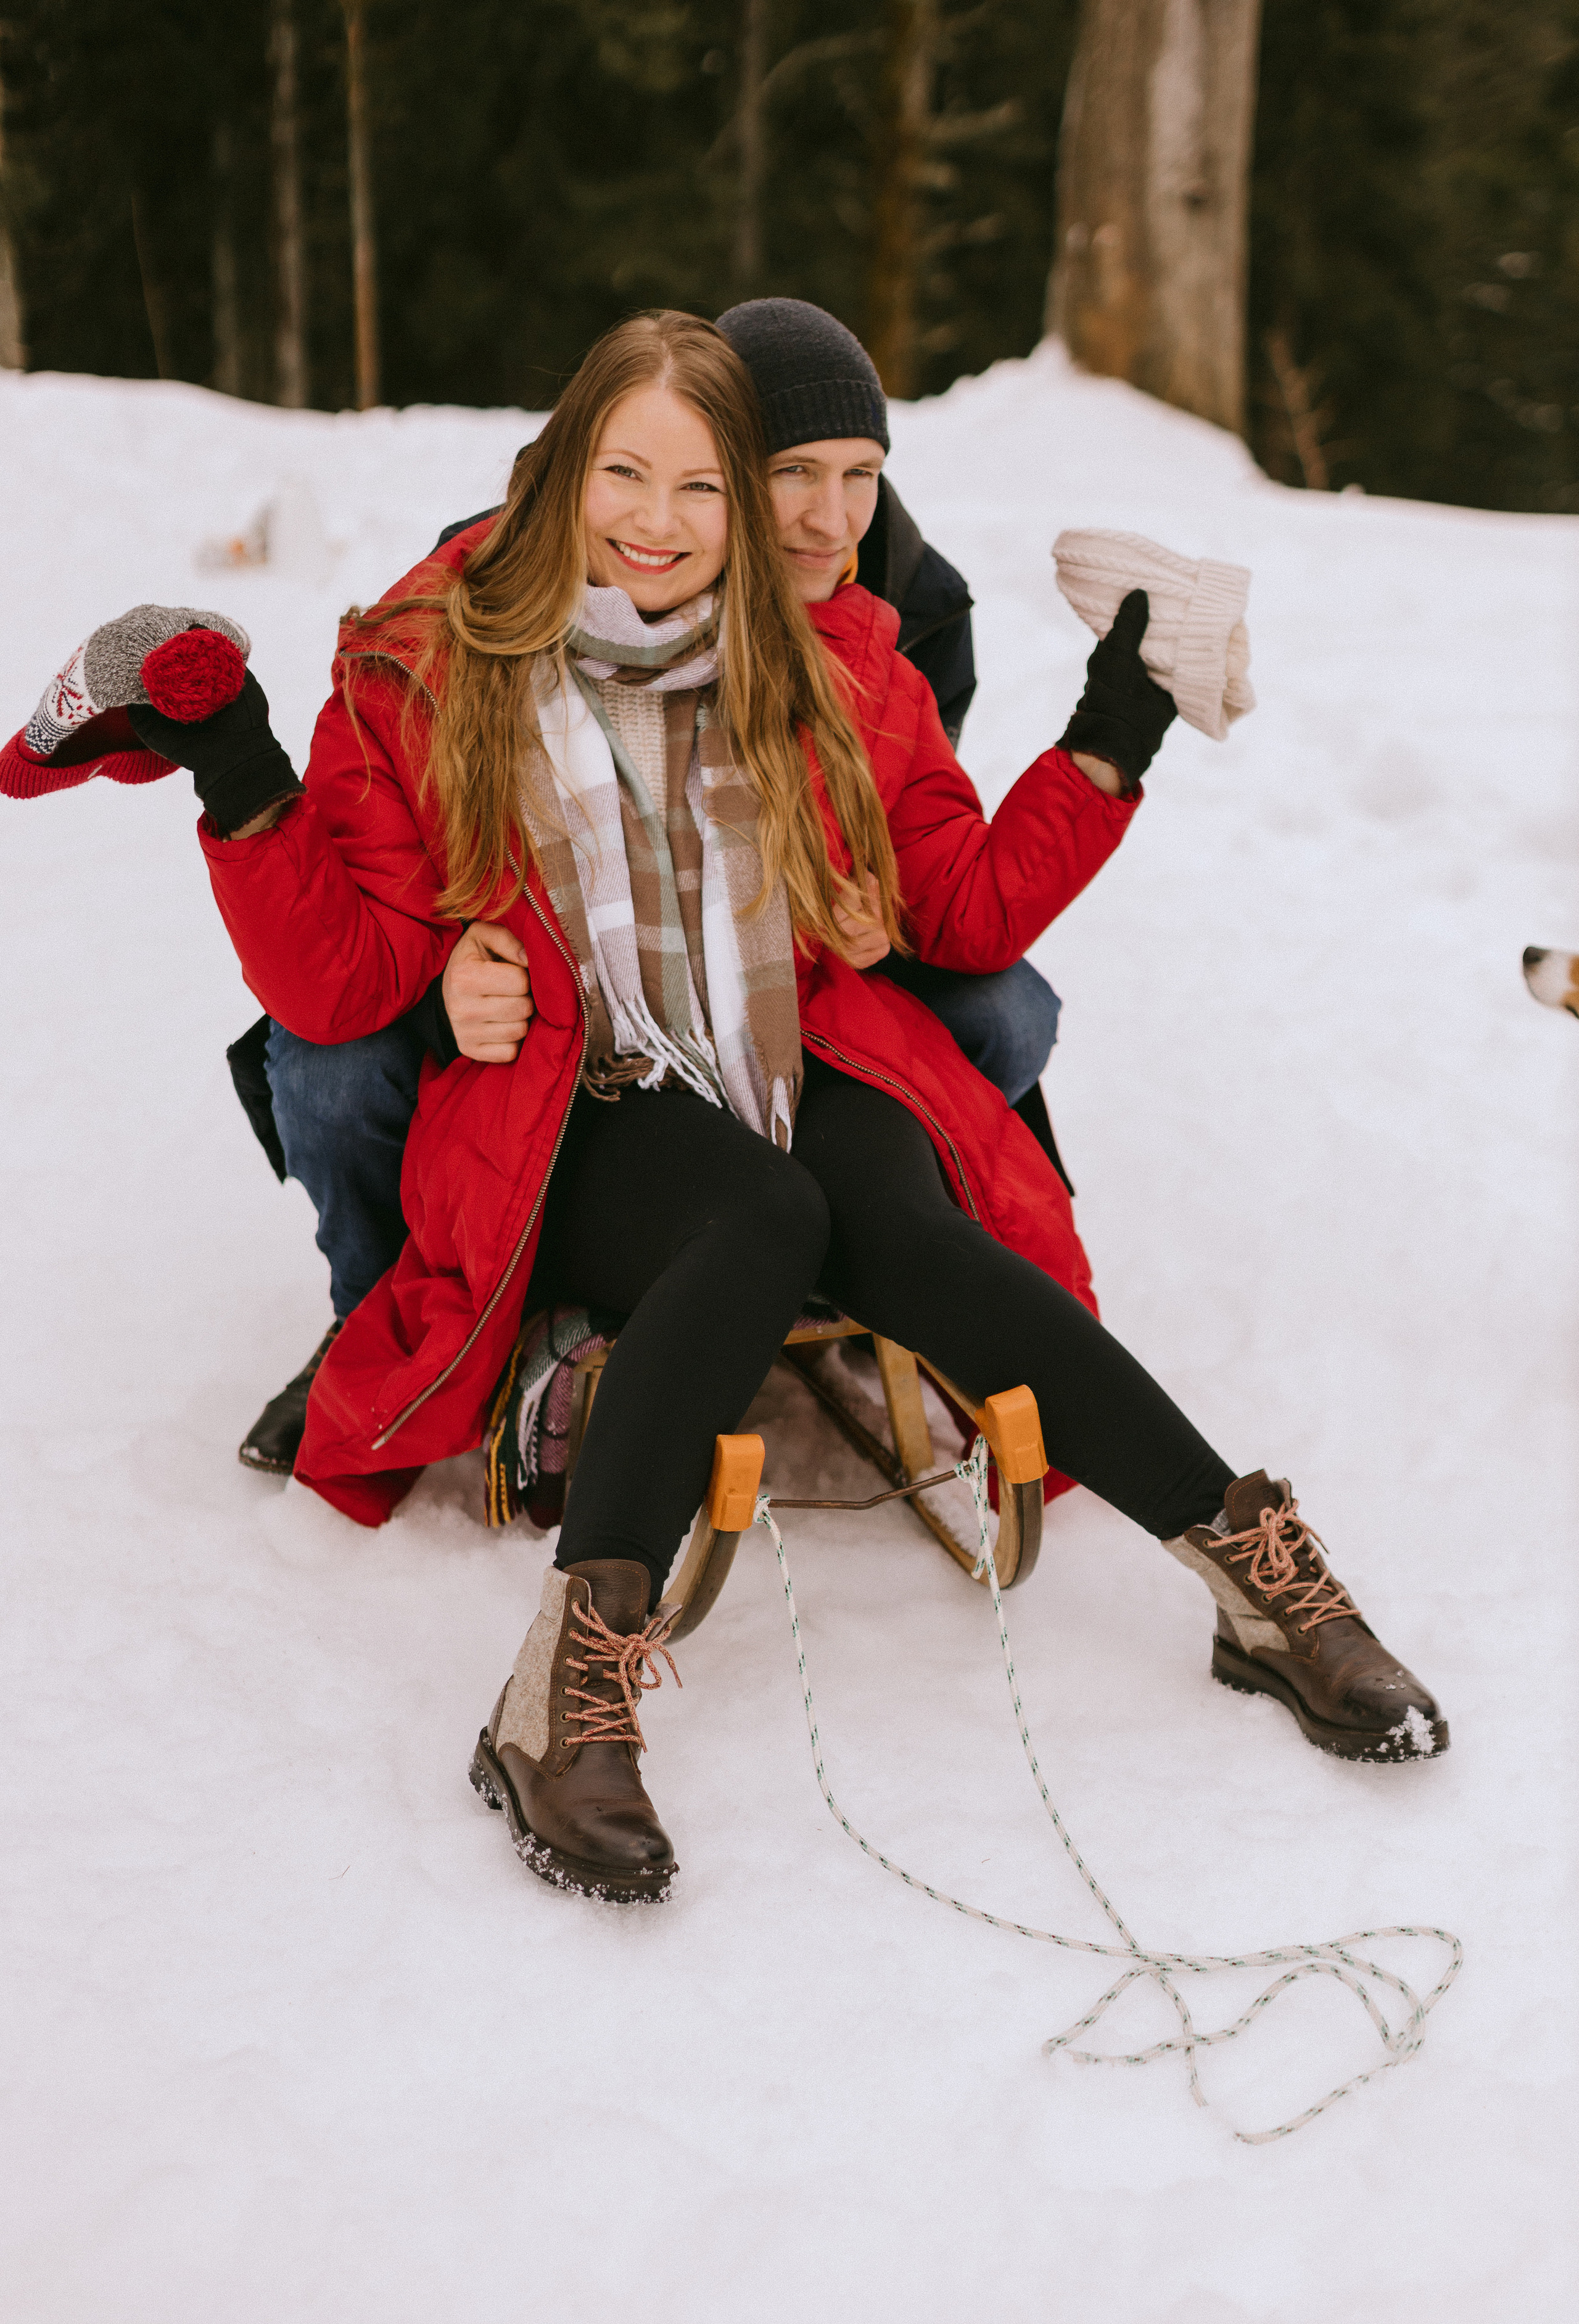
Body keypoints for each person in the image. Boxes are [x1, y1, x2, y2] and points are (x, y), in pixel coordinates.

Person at [67, 309, 1442, 1906]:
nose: (664, 522)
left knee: (904, 1222)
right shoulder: (435, 654)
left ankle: (1258, 1574)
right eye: (631, 475)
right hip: (579, 1091)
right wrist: (243, 776)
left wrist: (1122, 719)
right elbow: (332, 978)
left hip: (782, 1052)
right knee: (762, 1215)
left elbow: (970, 911)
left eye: (707, 489)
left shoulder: (842, 650)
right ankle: (563, 1691)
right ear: (567, 468)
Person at [234, 300, 1069, 1477]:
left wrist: (875, 910)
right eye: (789, 474)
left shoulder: (910, 605)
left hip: (775, 976)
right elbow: (393, 849)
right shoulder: (527, 563)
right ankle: (382, 1328)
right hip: (529, 965)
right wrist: (446, 967)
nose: (827, 518)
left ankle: (879, 1251)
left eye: (861, 475)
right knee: (327, 1063)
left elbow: (922, 842)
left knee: (1007, 1010)